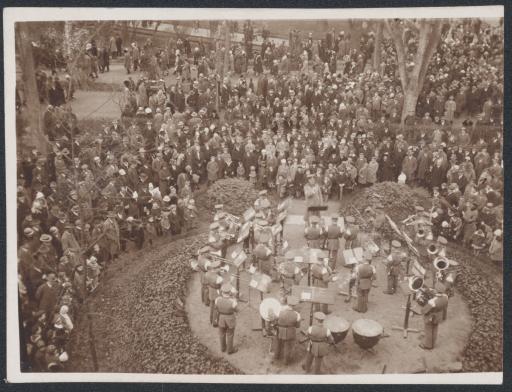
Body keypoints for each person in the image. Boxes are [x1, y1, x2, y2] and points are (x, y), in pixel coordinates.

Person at [273, 296, 301, 365]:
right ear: (294, 305)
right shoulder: (297, 314)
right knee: (288, 346)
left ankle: (276, 356)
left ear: (287, 304)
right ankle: (286, 361)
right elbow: (297, 326)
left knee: (278, 344)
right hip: (290, 332)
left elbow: (275, 320)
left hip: (279, 330)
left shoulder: (280, 311)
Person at [215, 283, 238, 354]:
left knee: (221, 334)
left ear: (222, 292)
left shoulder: (217, 299)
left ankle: (223, 348)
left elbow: (216, 308)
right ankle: (230, 350)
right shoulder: (233, 301)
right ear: (230, 292)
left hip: (221, 318)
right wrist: (234, 297)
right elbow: (237, 310)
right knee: (230, 334)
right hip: (230, 319)